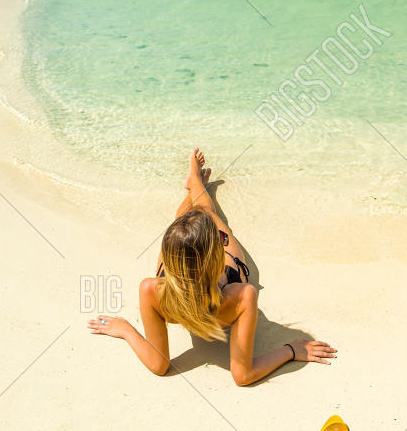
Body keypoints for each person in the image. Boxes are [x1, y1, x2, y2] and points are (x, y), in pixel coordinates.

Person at [89, 149, 336, 383]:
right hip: (223, 280)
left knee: (185, 224)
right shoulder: (240, 296)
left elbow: (158, 365)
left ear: (168, 255)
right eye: (221, 240)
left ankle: (194, 185)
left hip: (175, 285)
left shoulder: (150, 290)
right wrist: (291, 350)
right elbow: (243, 375)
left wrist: (127, 331)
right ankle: (196, 183)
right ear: (219, 252)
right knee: (205, 211)